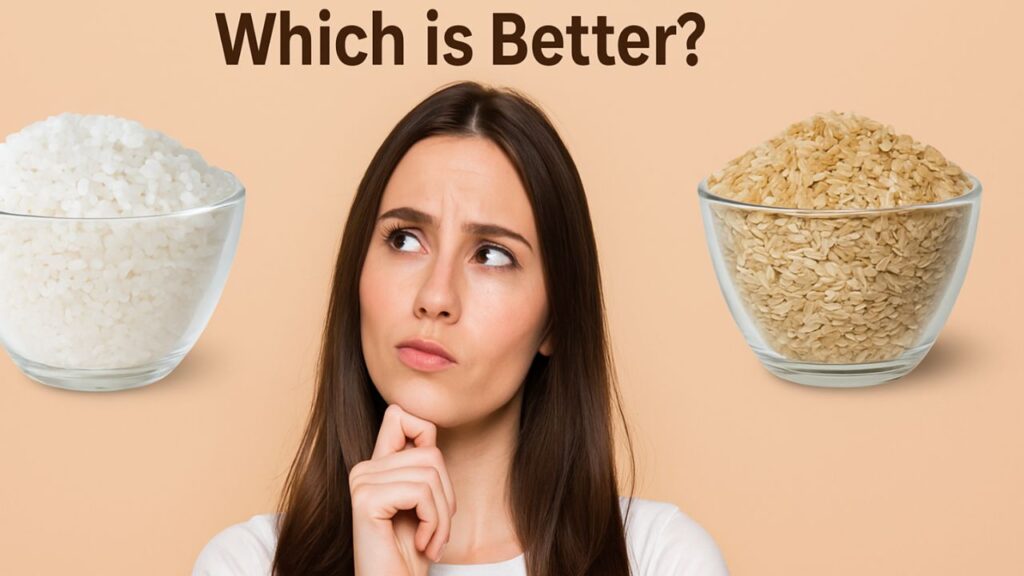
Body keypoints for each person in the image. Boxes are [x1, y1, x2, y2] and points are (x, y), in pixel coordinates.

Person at [193, 81, 728, 576]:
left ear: (557, 321)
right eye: (404, 240)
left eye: (492, 255)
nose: (436, 298)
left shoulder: (660, 557)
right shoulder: (248, 563)